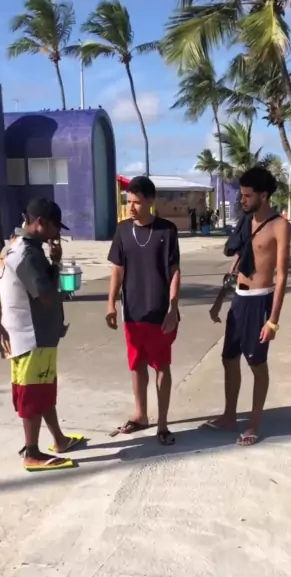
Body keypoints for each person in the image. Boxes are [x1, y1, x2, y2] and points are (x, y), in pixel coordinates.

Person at [0, 198, 82, 472]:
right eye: (55, 227)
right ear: (41, 223)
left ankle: (59, 440)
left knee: (42, 390)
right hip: (31, 337)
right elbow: (45, 296)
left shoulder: (16, 246)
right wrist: (57, 267)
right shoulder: (27, 254)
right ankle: (32, 452)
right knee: (33, 394)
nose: (57, 234)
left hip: (28, 335)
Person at [208, 166, 291, 446]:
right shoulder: (245, 222)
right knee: (229, 358)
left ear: (263, 195)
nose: (241, 200)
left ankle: (254, 423)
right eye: (241, 195)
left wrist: (273, 320)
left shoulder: (279, 226)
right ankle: (229, 416)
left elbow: (282, 275)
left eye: (247, 195)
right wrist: (220, 300)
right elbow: (237, 264)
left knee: (256, 363)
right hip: (239, 299)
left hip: (259, 301)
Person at [107, 175, 181, 445]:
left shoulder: (167, 230)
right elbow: (117, 270)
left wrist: (173, 307)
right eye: (128, 201)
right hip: (133, 312)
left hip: (160, 313)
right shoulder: (123, 230)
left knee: (162, 366)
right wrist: (110, 303)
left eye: (137, 202)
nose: (131, 207)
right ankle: (140, 415)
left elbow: (174, 271)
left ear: (150, 201)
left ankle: (162, 423)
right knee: (136, 364)